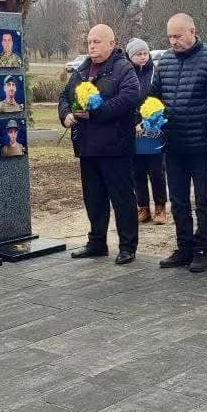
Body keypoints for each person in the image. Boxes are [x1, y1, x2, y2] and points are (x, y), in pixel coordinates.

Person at [150, 13, 207, 273]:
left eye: (178, 36)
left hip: (202, 144)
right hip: (173, 144)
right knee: (179, 199)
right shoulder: (164, 61)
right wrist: (149, 118)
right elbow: (155, 97)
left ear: (192, 31)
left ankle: (202, 249)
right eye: (170, 37)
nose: (173, 41)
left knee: (204, 200)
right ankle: (183, 246)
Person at [58, 24, 140, 264]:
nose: (91, 46)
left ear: (111, 44)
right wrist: (66, 115)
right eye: (89, 42)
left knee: (122, 198)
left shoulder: (123, 68)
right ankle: (97, 242)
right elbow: (65, 95)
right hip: (87, 146)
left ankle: (127, 247)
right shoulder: (82, 69)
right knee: (93, 197)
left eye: (97, 42)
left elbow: (129, 98)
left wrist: (96, 111)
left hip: (115, 147)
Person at [127, 38, 168, 225]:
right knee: (138, 171)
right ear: (131, 56)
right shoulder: (127, 74)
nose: (143, 57)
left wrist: (149, 122)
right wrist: (133, 123)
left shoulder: (155, 72)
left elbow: (160, 99)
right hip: (133, 130)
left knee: (156, 170)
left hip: (153, 128)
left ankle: (160, 207)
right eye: (138, 54)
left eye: (145, 53)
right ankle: (142, 207)